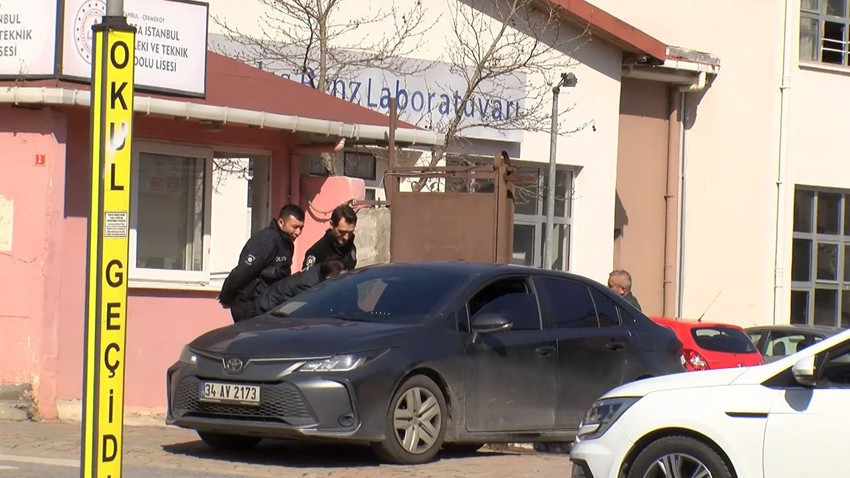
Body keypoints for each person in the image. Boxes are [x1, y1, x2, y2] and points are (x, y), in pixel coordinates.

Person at [219, 204, 305, 322]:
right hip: (249, 305)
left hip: (267, 304)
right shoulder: (266, 241)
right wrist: (226, 296)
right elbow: (243, 271)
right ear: (281, 223)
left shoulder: (286, 243)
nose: (298, 232)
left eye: (301, 228)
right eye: (294, 227)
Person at [257, 258, 347, 313]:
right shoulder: (308, 286)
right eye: (341, 278)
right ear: (328, 278)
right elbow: (305, 310)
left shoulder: (322, 269)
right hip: (267, 308)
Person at [302, 204, 358, 271]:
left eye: (350, 232)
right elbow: (307, 279)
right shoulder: (317, 252)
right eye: (342, 232)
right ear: (332, 225)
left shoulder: (351, 248)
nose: (346, 237)